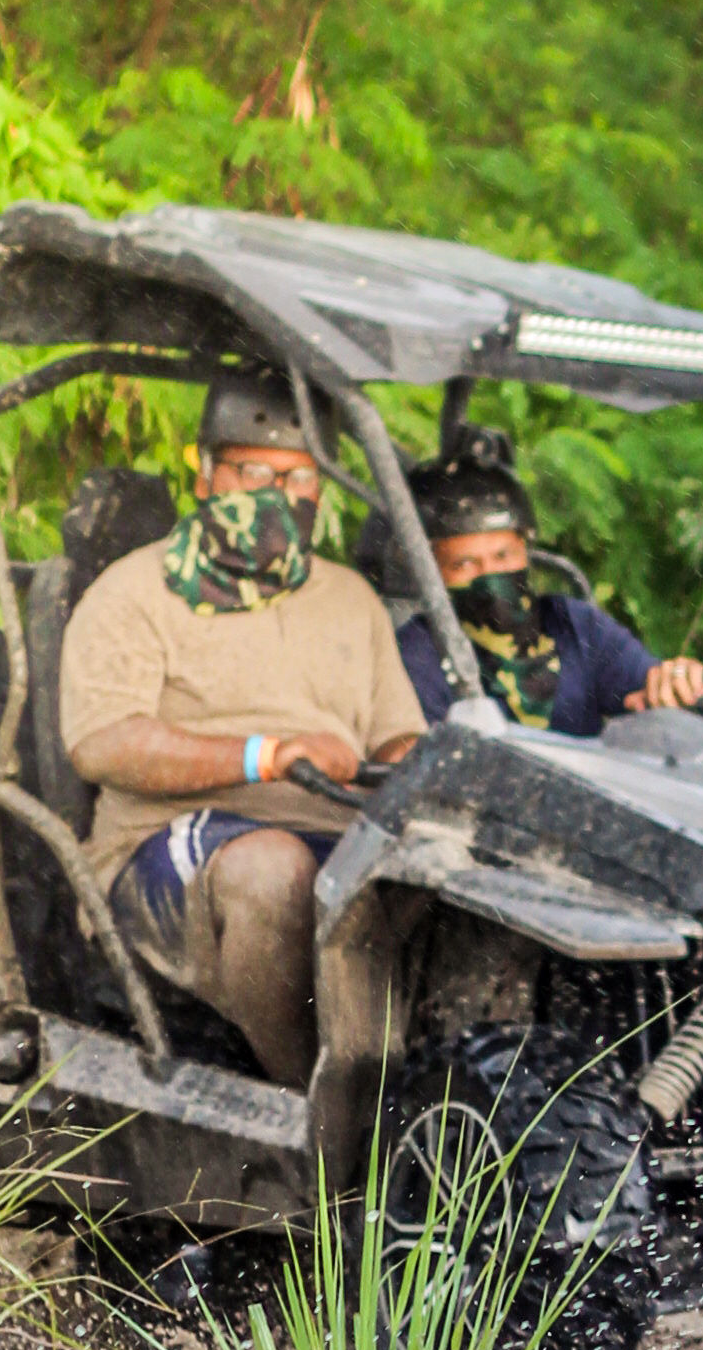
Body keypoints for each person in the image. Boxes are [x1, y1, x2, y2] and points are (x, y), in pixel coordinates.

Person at [57, 371, 427, 1087]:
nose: (273, 493)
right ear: (205, 473)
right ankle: (310, 1104)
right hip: (169, 844)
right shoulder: (135, 591)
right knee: (276, 870)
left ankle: (443, 1099)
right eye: (250, 470)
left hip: (344, 831)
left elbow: (398, 737)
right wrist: (267, 756)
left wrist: (411, 770)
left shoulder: (350, 598)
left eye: (296, 476)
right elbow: (104, 742)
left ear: (321, 488)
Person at [391, 442, 703, 737]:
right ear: (431, 572)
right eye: (464, 564)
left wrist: (675, 683)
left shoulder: (575, 626)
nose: (491, 576)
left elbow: (649, 690)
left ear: (525, 551)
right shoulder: (419, 654)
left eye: (503, 556)